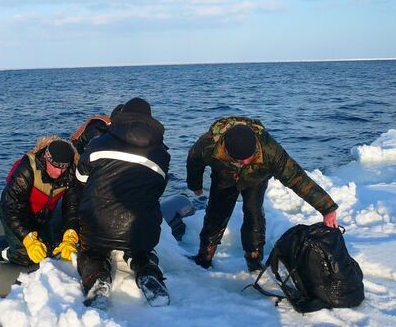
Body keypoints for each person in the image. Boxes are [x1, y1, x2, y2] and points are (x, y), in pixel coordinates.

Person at [187, 117, 339, 272]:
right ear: (226, 149)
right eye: (240, 159)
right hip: (224, 176)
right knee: (216, 213)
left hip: (256, 178)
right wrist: (195, 184)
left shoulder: (270, 150)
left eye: (249, 157)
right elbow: (194, 160)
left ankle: (254, 259)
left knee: (253, 212)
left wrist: (326, 208)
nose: (245, 162)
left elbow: (297, 178)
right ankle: (204, 256)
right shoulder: (209, 144)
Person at [75, 97, 171, 307]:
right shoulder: (162, 154)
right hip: (139, 229)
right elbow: (158, 189)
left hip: (97, 226)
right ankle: (147, 271)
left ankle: (97, 278)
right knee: (143, 252)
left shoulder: (97, 143)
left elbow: (80, 179)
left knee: (92, 253)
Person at [0, 137, 80, 266]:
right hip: (16, 212)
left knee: (49, 251)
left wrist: (70, 236)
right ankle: (5, 254)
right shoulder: (27, 168)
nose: (59, 172)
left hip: (42, 217)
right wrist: (29, 239)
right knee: (25, 256)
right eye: (56, 166)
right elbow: (10, 205)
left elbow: (72, 207)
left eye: (63, 167)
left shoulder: (71, 173)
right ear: (47, 158)